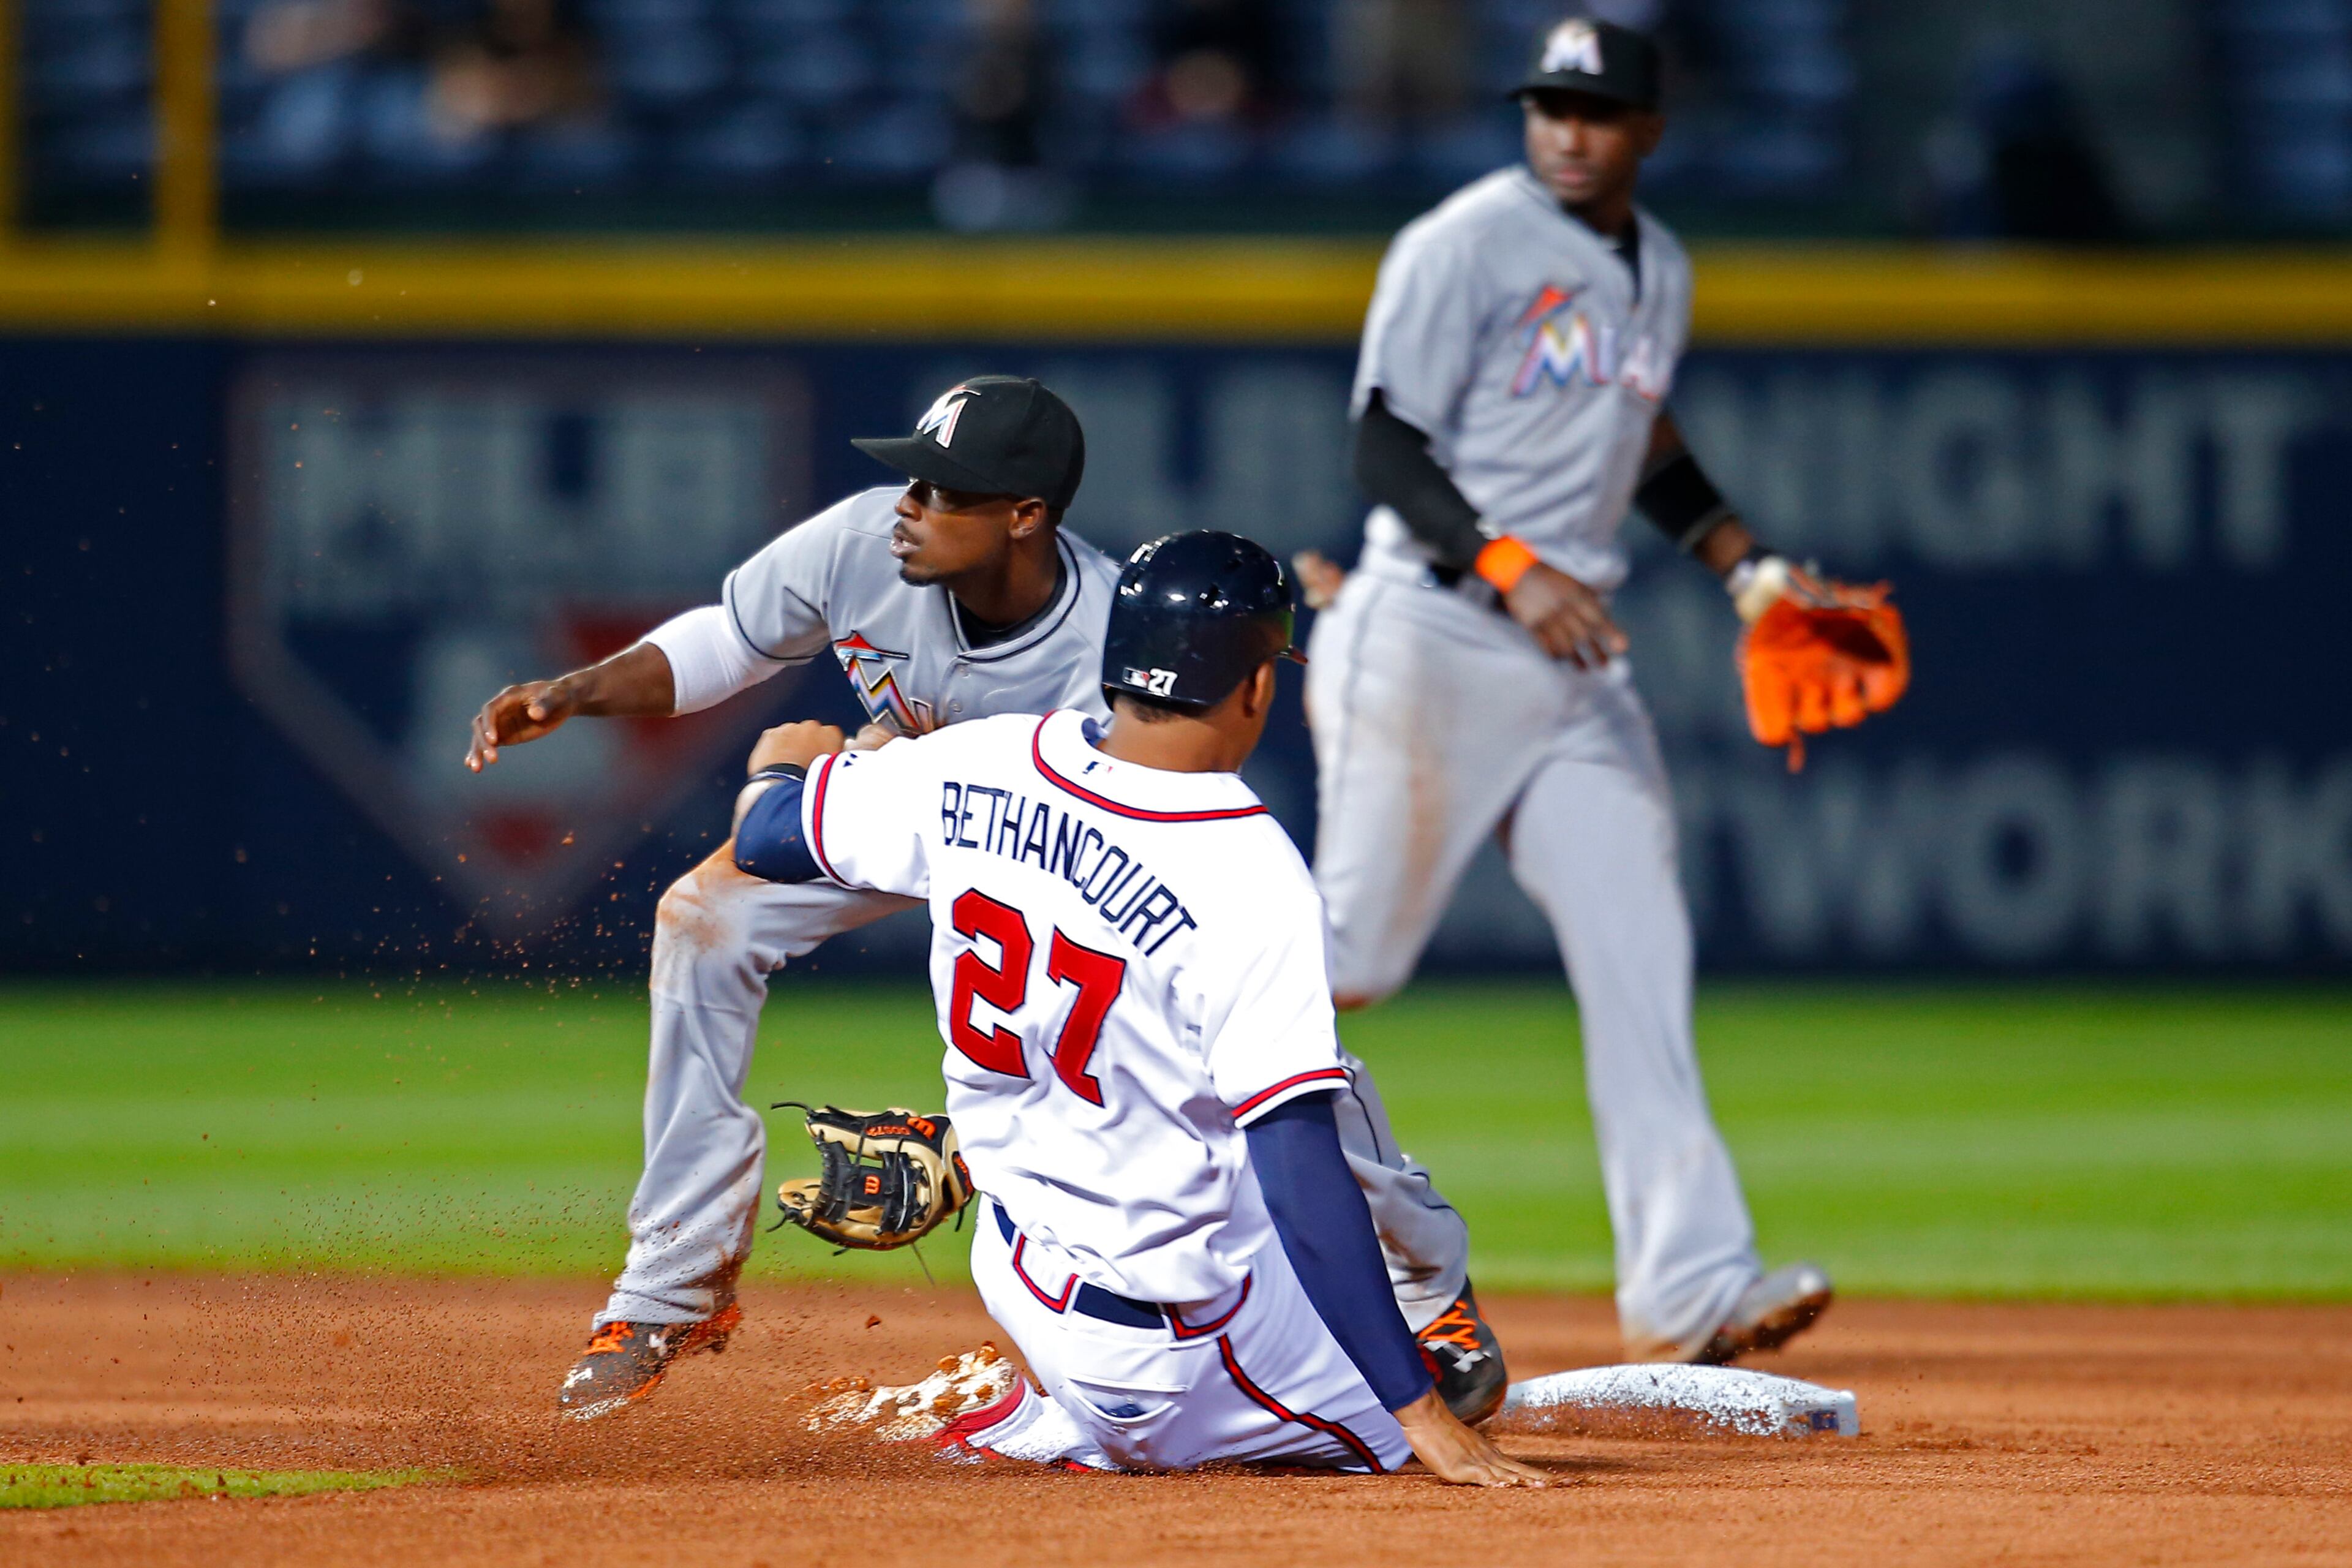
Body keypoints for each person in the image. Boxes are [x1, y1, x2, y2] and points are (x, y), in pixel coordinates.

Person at [465, 376, 1499, 1422]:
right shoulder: (865, 542)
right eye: (915, 480)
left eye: (946, 491)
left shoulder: (1106, 643)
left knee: (1244, 1030)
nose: (910, 507)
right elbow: (728, 643)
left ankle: (1428, 1290)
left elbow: (1147, 847)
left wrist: (969, 1150)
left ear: (1026, 516)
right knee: (702, 920)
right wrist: (575, 690)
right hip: (913, 804)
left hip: (1058, 848)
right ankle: (671, 1287)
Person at [726, 530, 1545, 1485]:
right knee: (1427, 1351)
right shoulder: (1248, 868)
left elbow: (770, 841)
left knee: (1231, 1063)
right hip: (1169, 1359)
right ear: (1256, 688)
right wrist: (1419, 1413)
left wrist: (780, 770)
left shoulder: (981, 757)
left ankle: (995, 1171)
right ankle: (1079, 1421)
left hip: (1017, 1262)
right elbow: (1296, 1168)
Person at [1295, 16, 1844, 1365]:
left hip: (1571, 665)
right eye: (1550, 105)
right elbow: (1383, 439)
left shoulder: (1660, 267)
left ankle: (1692, 1284)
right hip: (1432, 631)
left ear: (1650, 128)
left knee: (1640, 944)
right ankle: (1104, 1118)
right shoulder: (1464, 241)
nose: (1568, 130)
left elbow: (1641, 434)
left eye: (1597, 111)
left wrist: (1741, 561)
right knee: (1345, 963)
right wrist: (1507, 562)